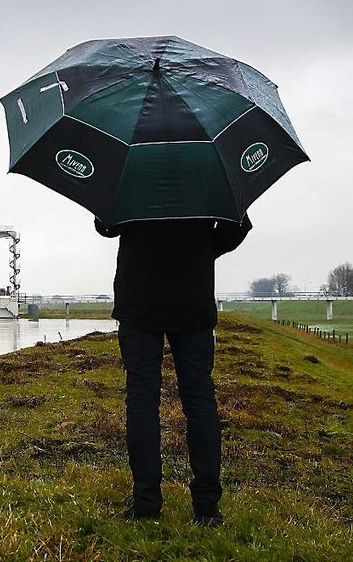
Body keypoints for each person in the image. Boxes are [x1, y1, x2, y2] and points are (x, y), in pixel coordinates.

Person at [95, 215, 252, 527]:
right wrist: (201, 249)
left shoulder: (130, 171)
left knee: (141, 401)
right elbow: (238, 226)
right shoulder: (208, 172)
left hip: (139, 299)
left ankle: (146, 504)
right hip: (193, 297)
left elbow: (106, 225)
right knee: (200, 399)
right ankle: (207, 507)